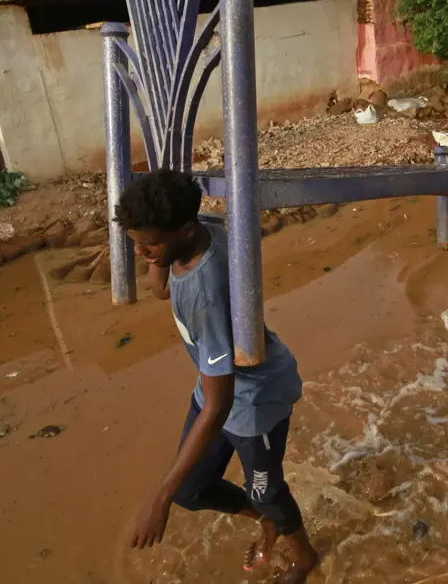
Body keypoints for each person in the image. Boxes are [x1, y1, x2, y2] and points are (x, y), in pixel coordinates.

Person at [117, 170, 319, 584]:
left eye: (149, 243)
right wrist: (156, 252)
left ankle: (304, 559)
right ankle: (267, 521)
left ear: (184, 230)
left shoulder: (204, 296)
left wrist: (158, 498)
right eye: (136, 244)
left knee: (266, 490)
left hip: (253, 398)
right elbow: (160, 290)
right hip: (218, 384)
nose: (141, 253)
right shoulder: (202, 229)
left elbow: (220, 405)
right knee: (190, 488)